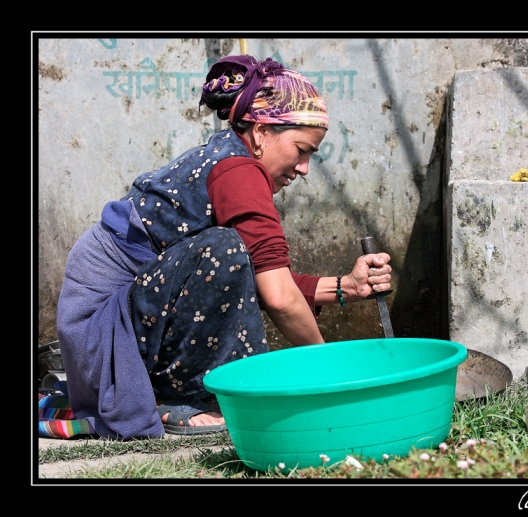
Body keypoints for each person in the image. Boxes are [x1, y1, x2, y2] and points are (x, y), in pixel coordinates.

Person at [56, 54, 392, 440]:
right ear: (262, 132)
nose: (304, 168)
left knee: (229, 253)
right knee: (225, 249)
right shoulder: (239, 171)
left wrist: (346, 286)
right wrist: (330, 376)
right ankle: (179, 397)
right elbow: (277, 295)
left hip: (115, 335)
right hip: (104, 341)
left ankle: (193, 392)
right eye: (302, 149)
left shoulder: (231, 159)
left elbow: (258, 277)